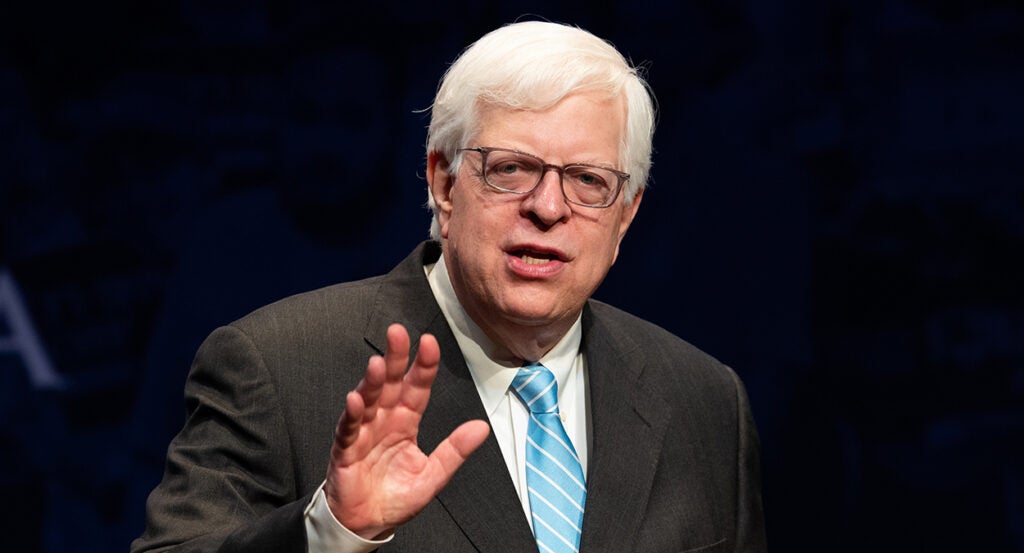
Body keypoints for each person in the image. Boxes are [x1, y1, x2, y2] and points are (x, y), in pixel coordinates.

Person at [132, 20, 766, 553]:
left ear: (625, 213)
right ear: (443, 183)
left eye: (588, 181)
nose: (548, 207)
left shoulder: (706, 401)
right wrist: (335, 531)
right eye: (511, 169)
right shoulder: (274, 365)